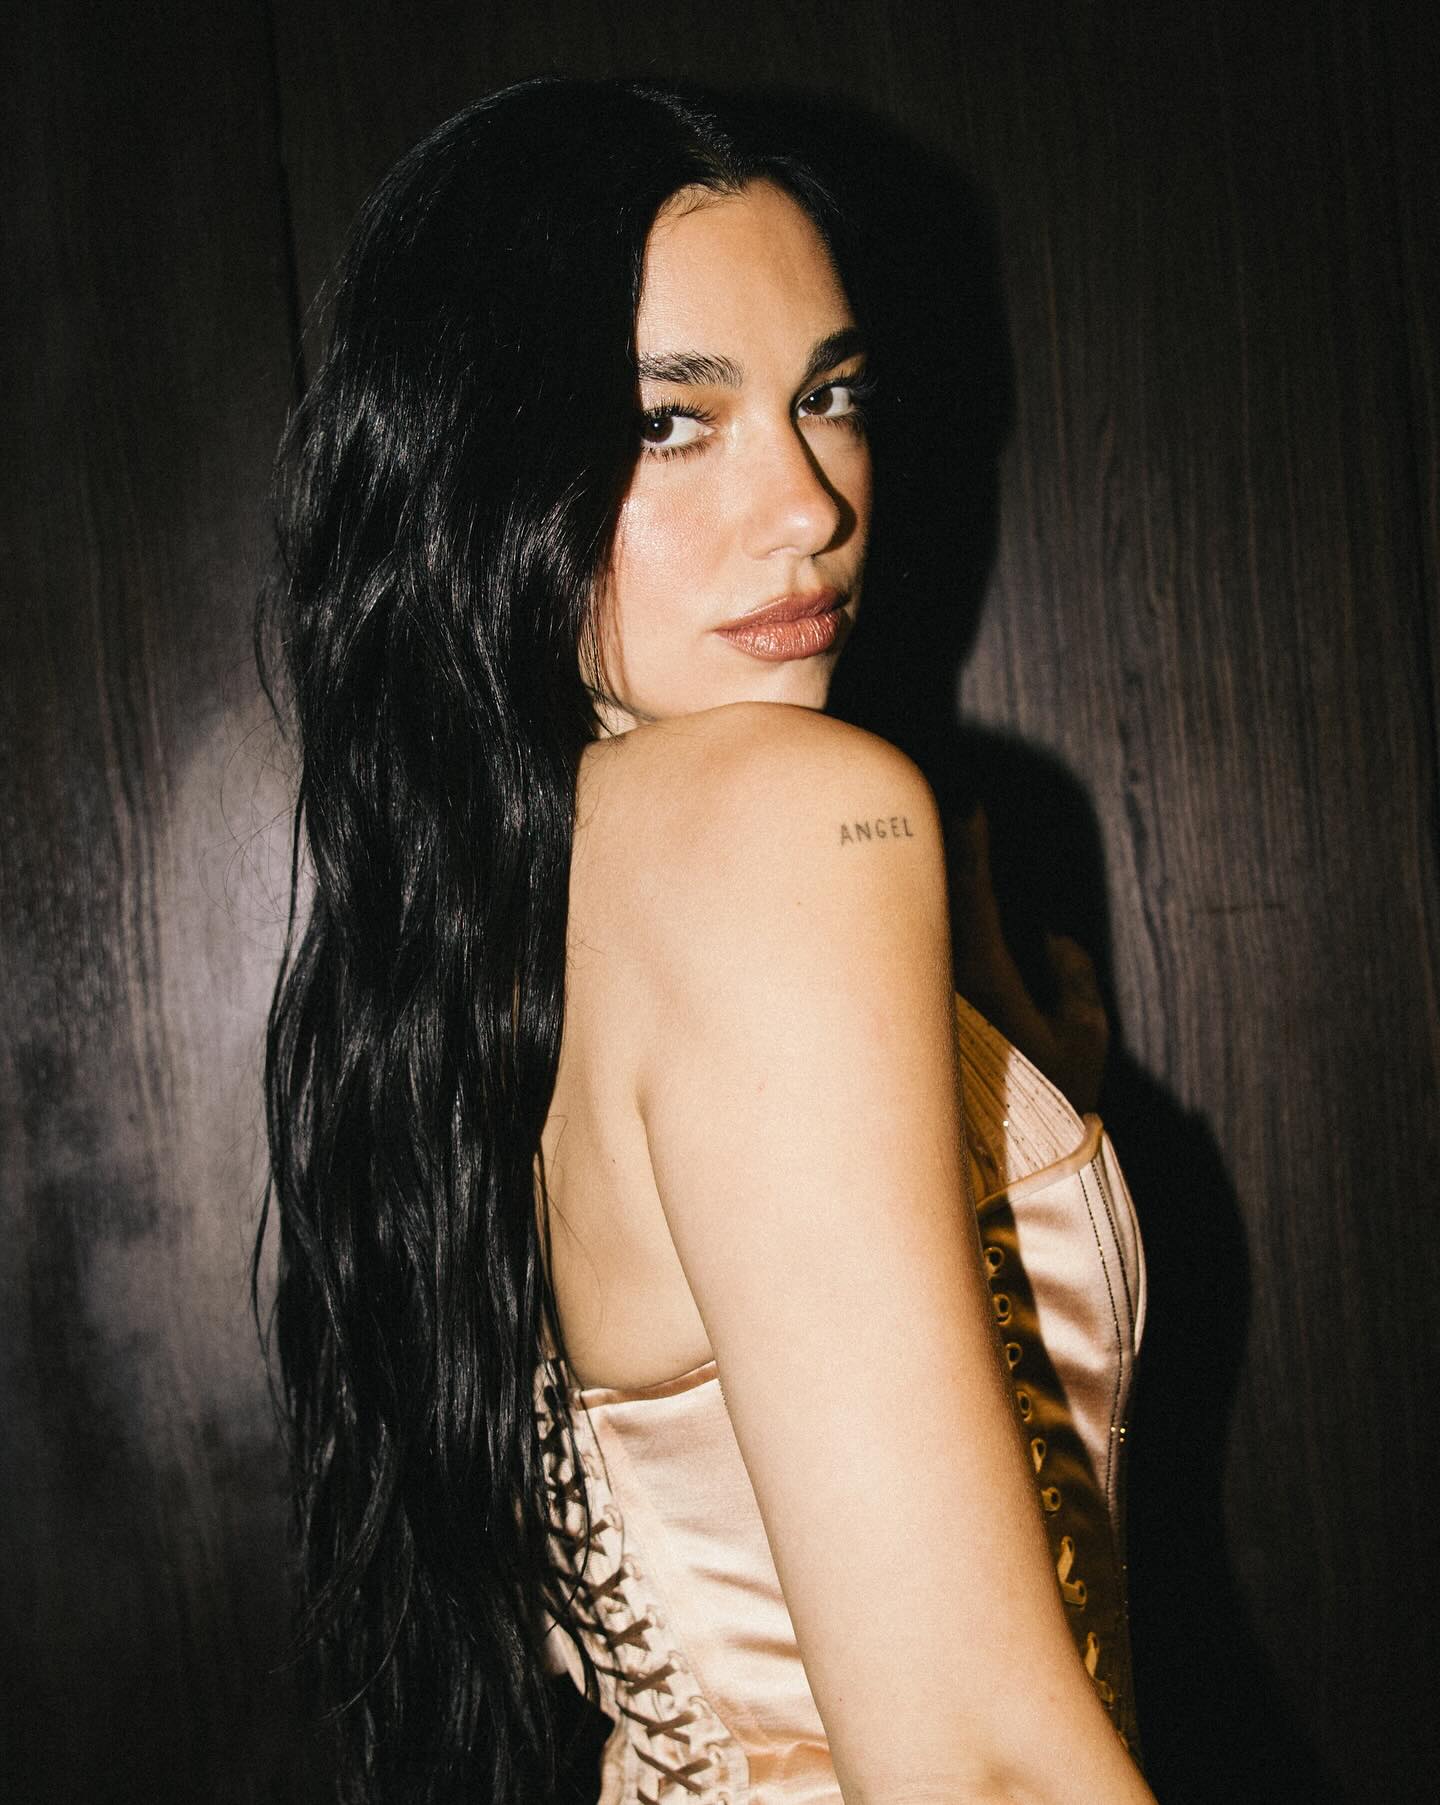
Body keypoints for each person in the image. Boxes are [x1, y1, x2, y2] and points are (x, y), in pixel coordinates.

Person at [255, 75, 1156, 1805]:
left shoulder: (495, 901)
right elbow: (977, 1764)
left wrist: (1011, 1097)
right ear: (479, 465)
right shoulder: (779, 819)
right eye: (674, 420)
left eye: (832, 396)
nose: (810, 503)